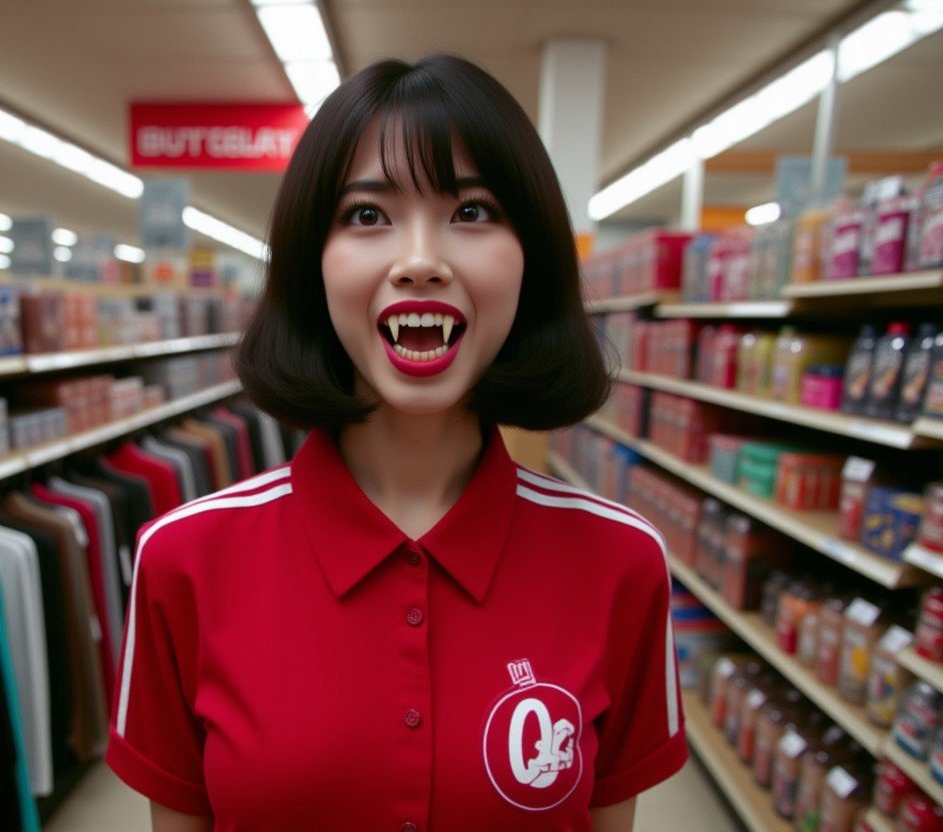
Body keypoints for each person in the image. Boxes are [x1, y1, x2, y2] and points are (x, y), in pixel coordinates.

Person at [106, 54, 688, 832]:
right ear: (313, 262)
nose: (420, 260)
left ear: (532, 259)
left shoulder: (622, 562)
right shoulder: (182, 560)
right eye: (368, 216)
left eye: (473, 211)